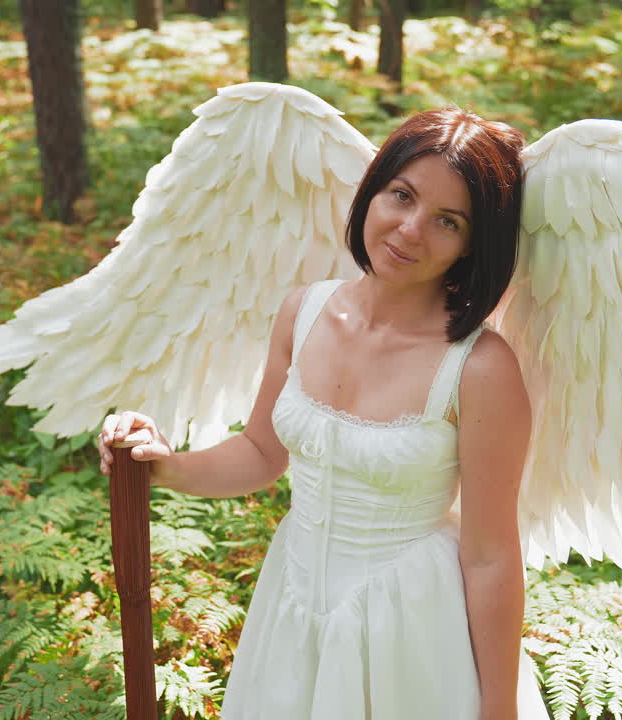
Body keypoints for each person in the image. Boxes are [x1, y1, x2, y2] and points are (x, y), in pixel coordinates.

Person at [98, 108, 547, 720]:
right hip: (292, 603)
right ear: (373, 190)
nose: (410, 230)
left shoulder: (479, 368)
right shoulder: (302, 313)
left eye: (448, 220)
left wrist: (499, 710)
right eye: (402, 196)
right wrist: (160, 466)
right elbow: (260, 454)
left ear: (474, 244)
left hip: (411, 627)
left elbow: (490, 555)